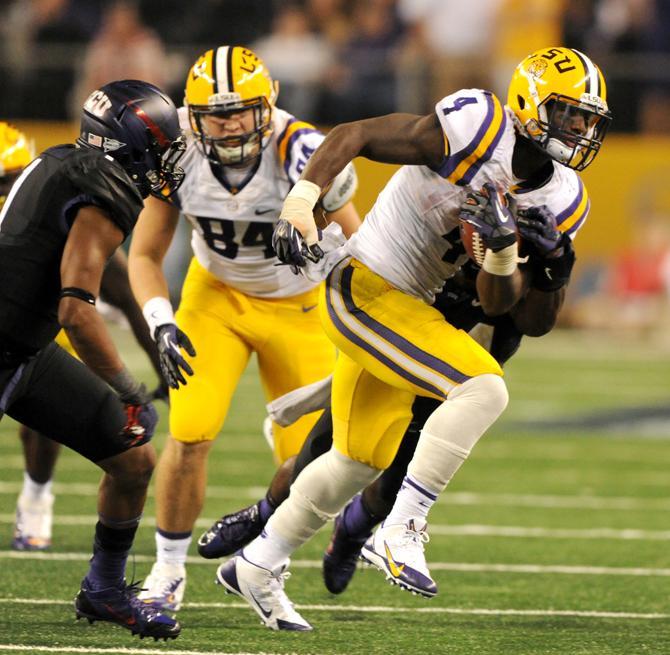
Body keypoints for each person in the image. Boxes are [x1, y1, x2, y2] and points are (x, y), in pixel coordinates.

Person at [214, 46, 611, 631]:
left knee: (355, 459)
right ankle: (402, 526)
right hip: (369, 286)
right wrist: (302, 202)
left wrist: (524, 262)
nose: (580, 129)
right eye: (569, 113)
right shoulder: (477, 127)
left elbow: (511, 312)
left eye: (589, 119)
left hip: (414, 311)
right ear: (530, 103)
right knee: (483, 390)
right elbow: (353, 135)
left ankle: (258, 561)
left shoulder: (562, 197)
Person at [198, 229, 576, 595]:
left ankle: (352, 533)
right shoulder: (427, 247)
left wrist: (552, 268)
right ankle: (261, 515)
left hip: (447, 390)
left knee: (392, 489)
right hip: (391, 366)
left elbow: (532, 320)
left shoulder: (525, 255)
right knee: (319, 458)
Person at [128, 45, 360, 613]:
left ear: (271, 103)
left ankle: (260, 564)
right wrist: (159, 321)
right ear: (191, 115)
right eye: (216, 113)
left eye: (242, 110)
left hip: (300, 306)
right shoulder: (176, 150)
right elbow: (144, 255)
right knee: (191, 430)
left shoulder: (303, 150)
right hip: (217, 299)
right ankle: (167, 570)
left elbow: (359, 251)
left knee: (313, 461)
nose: (230, 123)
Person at [0, 80, 186, 640]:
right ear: (131, 147)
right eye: (161, 146)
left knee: (131, 460)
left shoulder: (63, 159)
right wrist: (131, 390)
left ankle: (104, 590)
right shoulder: (105, 189)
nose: (168, 159)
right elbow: (77, 313)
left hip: (23, 351)